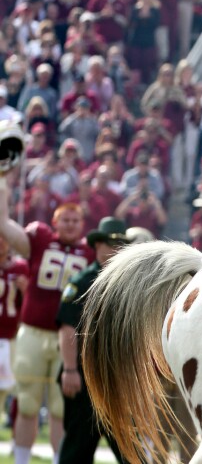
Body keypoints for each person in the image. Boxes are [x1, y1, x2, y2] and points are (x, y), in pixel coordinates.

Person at [0, 172, 94, 464]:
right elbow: (3, 224)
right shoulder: (40, 241)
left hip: (66, 337)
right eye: (64, 219)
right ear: (54, 222)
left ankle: (59, 461)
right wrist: (3, 180)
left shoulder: (89, 252)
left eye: (75, 220)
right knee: (26, 402)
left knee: (59, 408)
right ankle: (21, 461)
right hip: (32, 330)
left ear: (82, 225)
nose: (69, 224)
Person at [56, 217, 131, 464]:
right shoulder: (81, 284)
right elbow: (67, 328)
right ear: (97, 245)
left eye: (121, 244)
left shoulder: (128, 286)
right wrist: (69, 369)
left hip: (117, 382)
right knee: (78, 448)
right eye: (111, 244)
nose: (116, 250)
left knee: (132, 451)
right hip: (84, 379)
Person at [0, 235, 29, 412]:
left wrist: (26, 290)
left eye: (4, 237)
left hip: (11, 338)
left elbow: (29, 306)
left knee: (16, 389)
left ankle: (17, 434)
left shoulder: (20, 267)